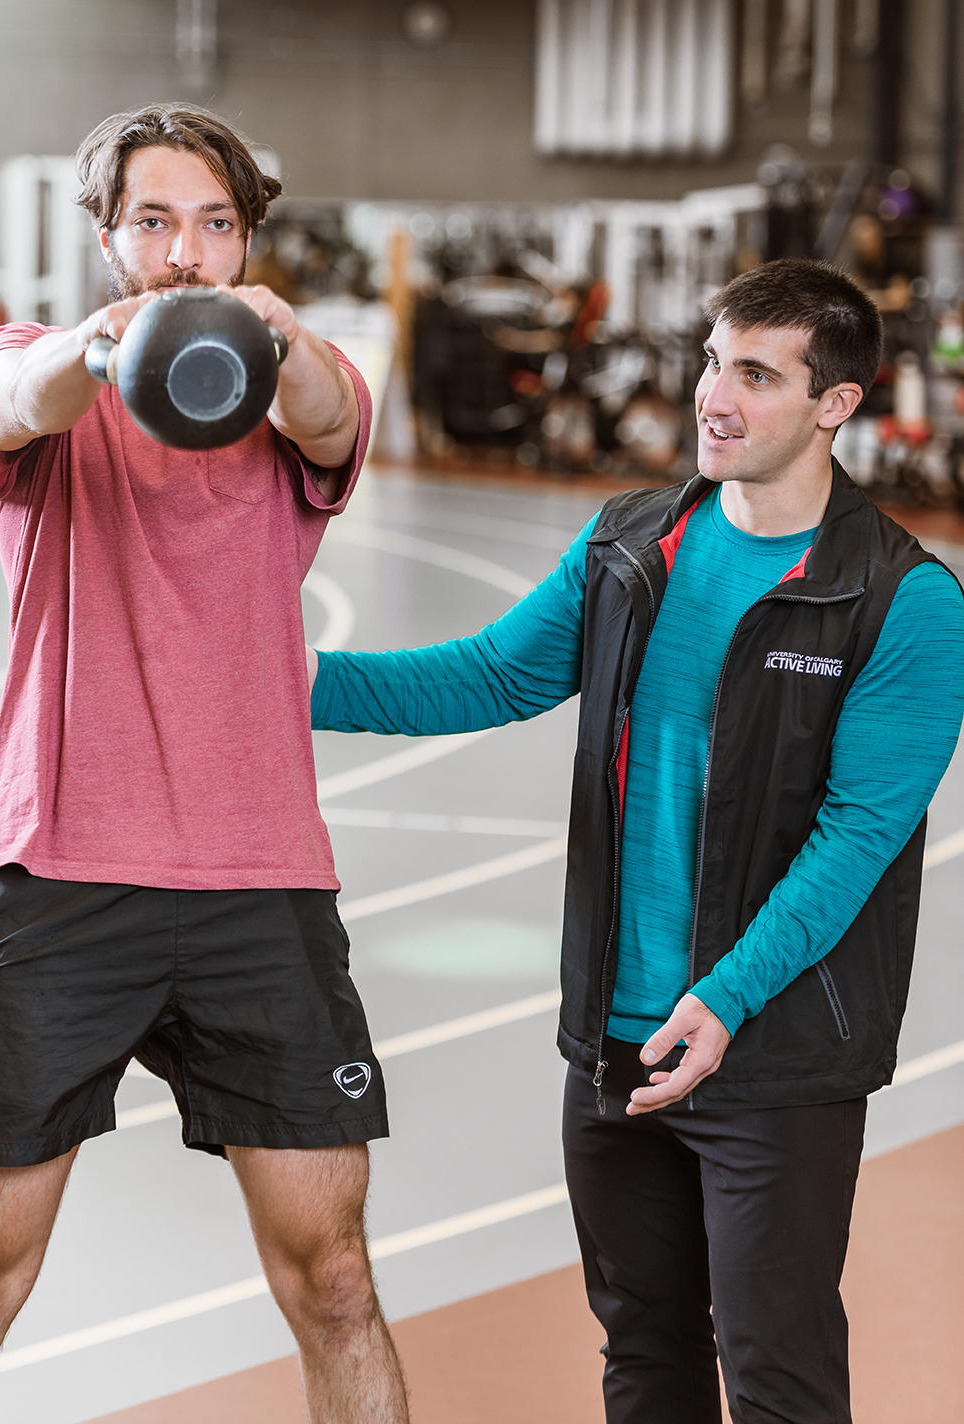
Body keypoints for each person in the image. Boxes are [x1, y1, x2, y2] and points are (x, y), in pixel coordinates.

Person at [309, 259, 964, 1423]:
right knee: (644, 1350)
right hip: (614, 1041)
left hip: (770, 1054)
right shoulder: (633, 541)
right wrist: (276, 678)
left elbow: (856, 835)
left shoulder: (898, 598)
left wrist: (721, 1001)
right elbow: (494, 672)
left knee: (777, 1374)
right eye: (712, 360)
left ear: (835, 403)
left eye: (755, 375)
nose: (713, 395)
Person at [0, 104, 408, 1424]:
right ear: (107, 238)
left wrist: (280, 334)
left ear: (245, 240)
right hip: (57, 875)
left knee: (339, 1282)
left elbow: (315, 412)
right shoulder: (38, 368)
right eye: (153, 221)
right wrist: (100, 350)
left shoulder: (307, 379)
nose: (184, 250)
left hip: (259, 885)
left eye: (214, 223)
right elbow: (17, 396)